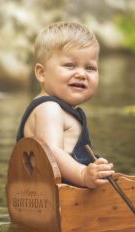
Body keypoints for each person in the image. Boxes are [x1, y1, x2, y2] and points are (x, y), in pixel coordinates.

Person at [16, 21, 114, 189]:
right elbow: (51, 153)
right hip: (61, 201)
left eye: (90, 68)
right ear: (42, 73)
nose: (81, 74)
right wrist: (84, 175)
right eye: (70, 66)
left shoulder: (59, 109)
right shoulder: (49, 109)